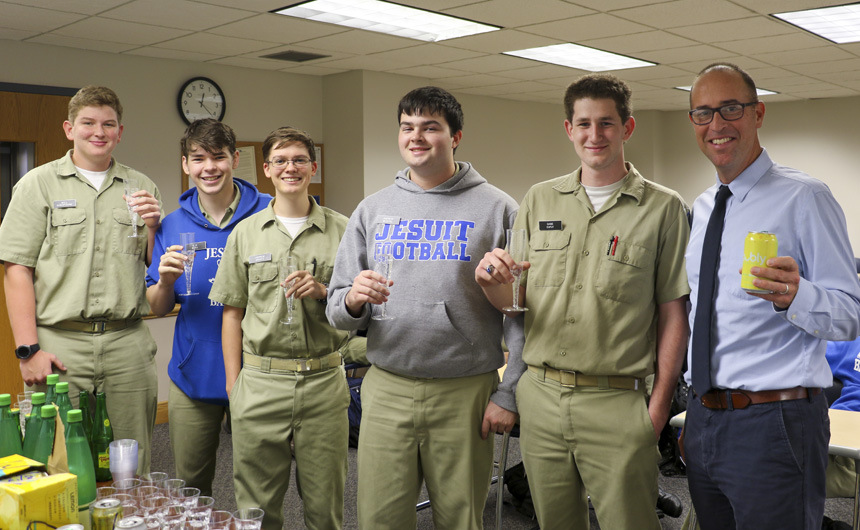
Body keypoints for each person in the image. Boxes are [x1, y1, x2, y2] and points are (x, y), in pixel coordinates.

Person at [477, 73, 690, 529]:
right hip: (541, 396)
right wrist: (489, 281)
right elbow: (513, 301)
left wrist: (657, 411)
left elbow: (674, 315)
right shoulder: (539, 199)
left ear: (627, 128)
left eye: (607, 123)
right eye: (584, 124)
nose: (595, 135)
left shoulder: (664, 208)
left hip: (617, 400)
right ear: (569, 129)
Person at [326, 86, 521, 530]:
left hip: (464, 392)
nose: (416, 136)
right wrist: (353, 299)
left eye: (430, 127)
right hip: (387, 387)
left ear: (455, 137)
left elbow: (521, 314)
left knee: (460, 518)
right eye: (407, 127)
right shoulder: (372, 209)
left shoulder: (498, 208)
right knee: (379, 518)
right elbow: (336, 309)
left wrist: (508, 392)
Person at [684, 62, 860, 530]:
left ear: (757, 113)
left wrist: (795, 297)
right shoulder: (703, 207)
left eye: (731, 109)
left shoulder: (805, 197)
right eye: (703, 112)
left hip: (773, 422)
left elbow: (851, 314)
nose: (717, 124)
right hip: (703, 418)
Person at [0, 85, 162, 474]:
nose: (98, 132)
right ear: (69, 129)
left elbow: (152, 265)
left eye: (108, 124)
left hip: (127, 341)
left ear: (120, 132)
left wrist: (154, 226)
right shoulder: (38, 184)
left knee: (132, 458)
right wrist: (27, 351)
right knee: (57, 459)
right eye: (88, 123)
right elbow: (16, 268)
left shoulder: (142, 187)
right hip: (60, 342)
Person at [209, 126, 364, 530]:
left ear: (313, 167)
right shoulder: (245, 233)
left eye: (299, 160)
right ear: (266, 169)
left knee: (325, 508)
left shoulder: (344, 230)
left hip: (323, 382)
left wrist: (323, 291)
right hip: (260, 383)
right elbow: (232, 313)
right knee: (256, 511)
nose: (289, 168)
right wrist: (234, 387)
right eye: (280, 160)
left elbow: (359, 307)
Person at [145, 118, 271, 496]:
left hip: (260, 371)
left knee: (260, 486)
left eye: (218, 157)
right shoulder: (171, 225)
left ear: (235, 159)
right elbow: (157, 307)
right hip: (194, 373)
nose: (209, 167)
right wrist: (164, 281)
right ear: (186, 164)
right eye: (198, 158)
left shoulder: (269, 213)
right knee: (191, 487)